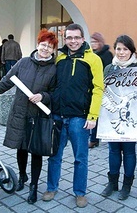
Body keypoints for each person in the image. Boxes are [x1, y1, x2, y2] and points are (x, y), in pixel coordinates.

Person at [0, 29, 58, 204]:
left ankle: (34, 186)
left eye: (49, 47)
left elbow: (54, 93)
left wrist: (43, 96)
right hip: (20, 113)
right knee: (21, 148)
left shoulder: (54, 68)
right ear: (38, 44)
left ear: (53, 50)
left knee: (36, 151)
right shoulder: (23, 63)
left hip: (38, 116)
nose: (45, 49)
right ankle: (22, 176)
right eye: (43, 45)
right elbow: (6, 82)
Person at [43, 23, 104, 208]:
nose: (73, 41)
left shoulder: (93, 59)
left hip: (79, 117)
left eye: (76, 37)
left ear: (82, 39)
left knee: (80, 157)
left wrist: (93, 116)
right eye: (69, 38)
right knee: (54, 156)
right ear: (65, 38)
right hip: (58, 116)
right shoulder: (59, 58)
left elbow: (98, 88)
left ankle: (79, 192)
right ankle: (51, 188)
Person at [100, 35, 137, 200]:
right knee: (113, 151)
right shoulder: (109, 69)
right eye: (118, 49)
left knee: (129, 152)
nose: (121, 52)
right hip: (112, 117)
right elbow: (103, 92)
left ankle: (127, 185)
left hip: (132, 117)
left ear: (131, 51)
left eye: (125, 49)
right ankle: (112, 182)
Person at [89, 32, 113, 148]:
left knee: (100, 113)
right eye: (92, 41)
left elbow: (109, 72)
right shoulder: (93, 54)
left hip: (104, 87)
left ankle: (94, 139)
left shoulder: (106, 55)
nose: (93, 44)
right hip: (93, 86)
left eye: (95, 42)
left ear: (100, 42)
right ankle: (94, 138)